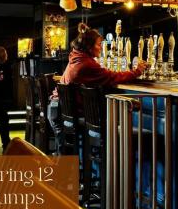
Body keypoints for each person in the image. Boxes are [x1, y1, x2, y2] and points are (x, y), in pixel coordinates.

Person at [48, 22, 147, 154]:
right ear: (89, 46)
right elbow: (112, 77)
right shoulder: (86, 64)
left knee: (64, 155)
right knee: (64, 157)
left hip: (58, 110)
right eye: (99, 44)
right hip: (61, 112)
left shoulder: (76, 57)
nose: (101, 48)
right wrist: (136, 72)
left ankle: (70, 172)